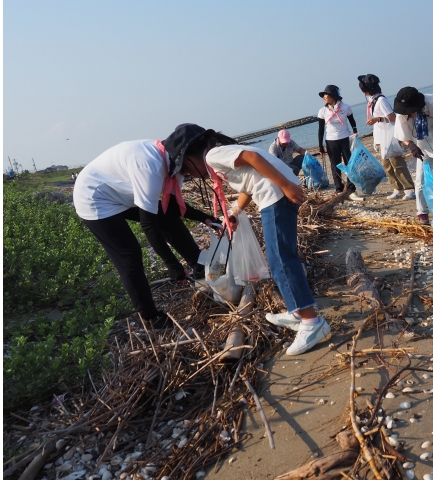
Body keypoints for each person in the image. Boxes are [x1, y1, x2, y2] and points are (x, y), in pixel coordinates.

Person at [178, 129, 332, 356]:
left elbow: (254, 159)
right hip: (275, 193)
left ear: (194, 155)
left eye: (189, 168)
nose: (192, 174)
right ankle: (297, 311)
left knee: (281, 260)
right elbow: (249, 184)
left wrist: (287, 185)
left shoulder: (212, 156)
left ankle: (312, 322)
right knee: (281, 258)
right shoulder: (221, 158)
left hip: (276, 195)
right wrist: (234, 212)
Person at [73, 124, 223, 328]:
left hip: (120, 193)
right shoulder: (149, 166)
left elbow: (171, 208)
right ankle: (151, 317)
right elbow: (149, 225)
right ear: (188, 156)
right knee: (129, 255)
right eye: (205, 162)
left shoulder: (176, 164)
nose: (208, 169)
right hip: (94, 197)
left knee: (167, 217)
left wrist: (205, 218)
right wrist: (172, 265)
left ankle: (198, 267)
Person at [393, 86, 433, 224]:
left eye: (410, 111)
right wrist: (412, 146)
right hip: (421, 137)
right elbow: (403, 135)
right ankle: (422, 213)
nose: (408, 114)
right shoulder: (401, 113)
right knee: (421, 177)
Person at [358, 74, 415, 200]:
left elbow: (393, 117)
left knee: (397, 164)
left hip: (389, 138)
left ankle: (409, 189)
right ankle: (397, 189)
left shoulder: (381, 100)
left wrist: (378, 119)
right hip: (380, 138)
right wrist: (375, 139)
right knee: (387, 166)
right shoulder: (372, 101)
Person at [317, 85, 364, 201]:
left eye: (326, 95)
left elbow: (352, 120)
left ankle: (351, 190)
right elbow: (321, 129)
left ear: (333, 96)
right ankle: (339, 190)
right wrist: (320, 145)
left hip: (345, 139)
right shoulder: (322, 111)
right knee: (335, 166)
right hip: (331, 141)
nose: (324, 97)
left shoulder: (345, 107)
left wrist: (355, 131)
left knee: (350, 164)